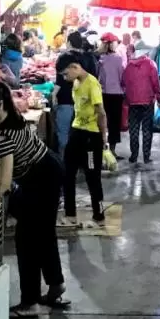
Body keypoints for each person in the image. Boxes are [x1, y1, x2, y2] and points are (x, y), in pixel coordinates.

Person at [0, 80, 68, 317]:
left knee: (27, 240)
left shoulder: (3, 136)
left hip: (41, 178)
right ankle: (56, 284)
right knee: (44, 232)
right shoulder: (13, 118)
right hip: (49, 168)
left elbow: (3, 184)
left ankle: (30, 302)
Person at [62, 56, 107, 225]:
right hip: (76, 133)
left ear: (75, 67)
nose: (64, 77)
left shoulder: (92, 84)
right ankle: (70, 213)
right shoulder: (76, 83)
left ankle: (99, 214)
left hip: (90, 138)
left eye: (66, 73)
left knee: (92, 176)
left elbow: (101, 113)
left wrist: (104, 138)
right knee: (68, 173)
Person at [123, 41, 160, 165]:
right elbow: (156, 83)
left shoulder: (128, 66)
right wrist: (159, 96)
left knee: (133, 130)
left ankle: (134, 156)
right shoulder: (151, 64)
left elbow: (123, 82)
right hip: (147, 101)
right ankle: (146, 156)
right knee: (146, 130)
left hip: (132, 102)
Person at [52, 32, 87, 157]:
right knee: (81, 133)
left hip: (65, 100)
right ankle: (81, 164)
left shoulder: (64, 57)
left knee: (63, 133)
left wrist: (54, 95)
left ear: (69, 43)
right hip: (83, 102)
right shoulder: (88, 58)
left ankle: (63, 162)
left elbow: (59, 81)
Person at [98, 33, 126, 154]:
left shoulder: (100, 59)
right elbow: (122, 77)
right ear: (111, 44)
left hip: (103, 94)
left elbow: (100, 78)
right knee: (114, 123)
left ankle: (101, 148)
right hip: (116, 94)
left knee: (103, 121)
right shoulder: (118, 58)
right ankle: (113, 151)